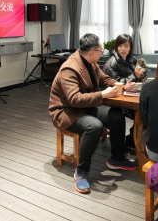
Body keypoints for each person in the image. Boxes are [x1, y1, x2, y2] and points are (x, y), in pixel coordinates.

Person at [48, 33, 137, 194]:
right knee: (94, 126)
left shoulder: (91, 62)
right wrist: (102, 94)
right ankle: (81, 171)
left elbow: (104, 79)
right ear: (92, 52)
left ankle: (117, 158)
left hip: (86, 105)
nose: (102, 53)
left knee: (116, 115)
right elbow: (74, 99)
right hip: (66, 111)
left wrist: (123, 86)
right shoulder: (69, 68)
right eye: (100, 50)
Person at [102, 33, 144, 153]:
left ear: (130, 47)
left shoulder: (131, 59)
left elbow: (136, 78)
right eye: (120, 46)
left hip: (130, 94)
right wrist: (134, 75)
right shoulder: (112, 63)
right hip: (115, 99)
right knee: (142, 112)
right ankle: (131, 140)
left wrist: (141, 74)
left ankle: (132, 139)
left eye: (126, 46)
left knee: (146, 110)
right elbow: (116, 83)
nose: (123, 49)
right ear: (116, 47)